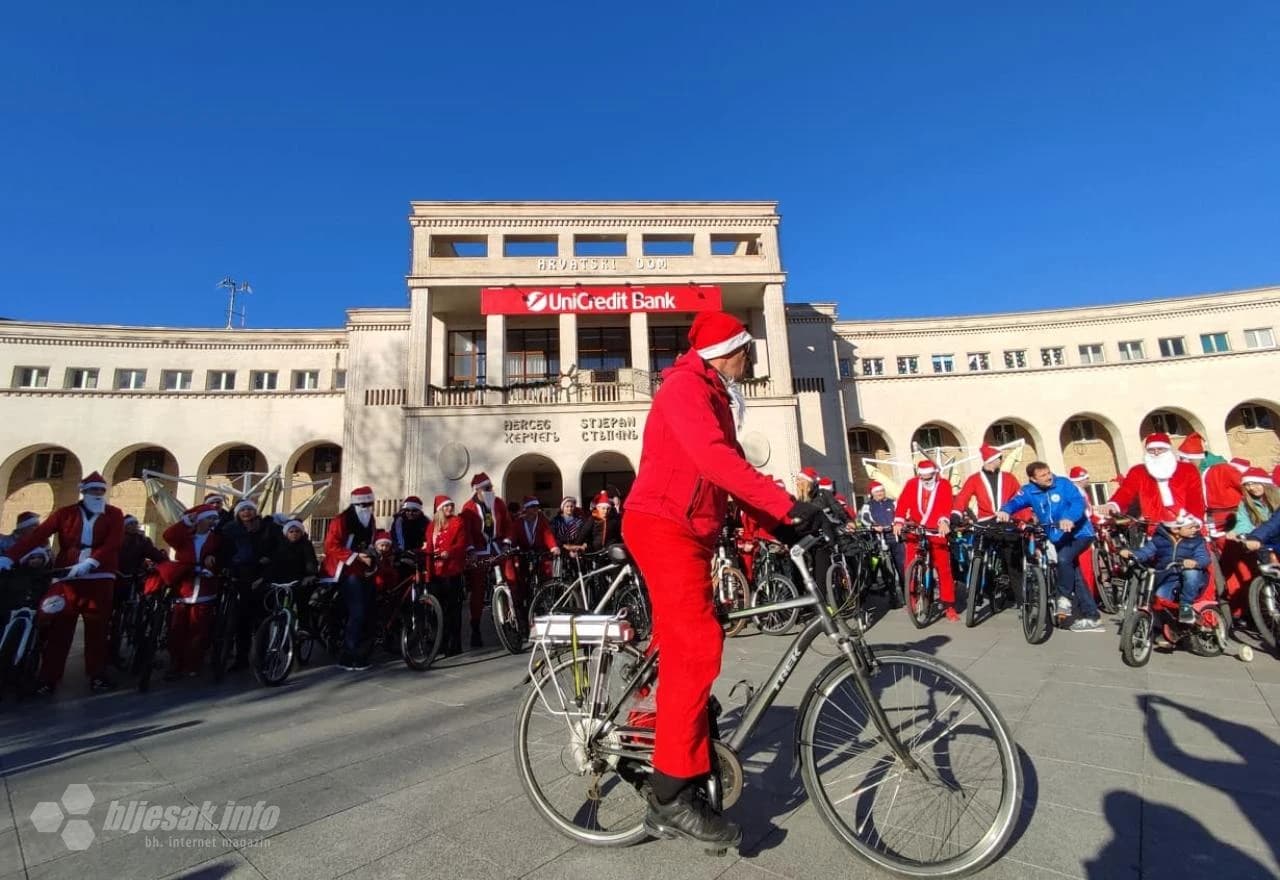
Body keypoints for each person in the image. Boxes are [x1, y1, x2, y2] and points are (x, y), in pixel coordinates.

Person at [622, 311, 819, 848]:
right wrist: (784, 505)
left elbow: (730, 477)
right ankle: (669, 797)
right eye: (745, 352)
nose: (748, 361)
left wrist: (785, 527)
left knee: (680, 640)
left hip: (687, 528)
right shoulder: (685, 386)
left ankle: (651, 728)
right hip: (664, 523)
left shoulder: (713, 394)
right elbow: (713, 461)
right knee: (697, 645)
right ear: (723, 351)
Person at [0, 471, 125, 693]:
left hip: (100, 576)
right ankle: (49, 677)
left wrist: (93, 562)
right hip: (68, 575)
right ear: (83, 492)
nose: (97, 494)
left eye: (101, 491)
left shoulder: (114, 514)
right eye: (93, 490)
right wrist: (11, 556)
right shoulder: (65, 514)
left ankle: (97, 674)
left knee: (97, 628)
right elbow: (38, 535)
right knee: (61, 627)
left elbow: (114, 542)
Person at [997, 461, 1102, 632]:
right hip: (1058, 537)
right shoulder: (1029, 491)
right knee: (1074, 574)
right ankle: (1092, 616)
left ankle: (1064, 599)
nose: (1048, 477)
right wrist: (1006, 510)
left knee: (1063, 558)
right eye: (1043, 476)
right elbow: (1016, 502)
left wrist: (1069, 518)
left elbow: (1078, 503)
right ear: (1033, 479)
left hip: (1080, 534)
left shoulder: (1064, 484)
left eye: (1048, 473)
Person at [155, 504, 224, 680]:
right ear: (200, 520)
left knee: (199, 629)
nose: (212, 522)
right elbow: (168, 536)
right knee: (177, 628)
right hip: (184, 587)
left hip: (205, 588)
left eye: (213, 519)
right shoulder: (186, 537)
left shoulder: (217, 539)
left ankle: (192, 663)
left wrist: (214, 561)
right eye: (209, 518)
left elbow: (224, 555)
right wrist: (185, 522)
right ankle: (175, 662)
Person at [893, 459, 959, 620]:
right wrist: (899, 521)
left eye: (928, 478)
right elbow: (902, 503)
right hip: (916, 529)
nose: (925, 480)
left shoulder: (943, 485)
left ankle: (949, 605)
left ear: (935, 474)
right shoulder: (912, 484)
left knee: (943, 568)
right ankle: (912, 599)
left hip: (936, 529)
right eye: (922, 477)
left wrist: (944, 520)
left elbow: (946, 504)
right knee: (910, 564)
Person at [221, 498, 282, 671]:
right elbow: (225, 552)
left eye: (250, 509)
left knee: (263, 620)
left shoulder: (269, 528)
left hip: (263, 578)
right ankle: (242, 659)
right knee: (242, 622)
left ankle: (263, 657)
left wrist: (268, 561)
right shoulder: (231, 530)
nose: (247, 512)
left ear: (256, 511)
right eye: (243, 510)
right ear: (237, 513)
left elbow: (279, 550)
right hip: (241, 579)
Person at [322, 486, 378, 670]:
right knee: (357, 612)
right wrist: (355, 556)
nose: (367, 507)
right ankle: (349, 654)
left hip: (364, 570)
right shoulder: (341, 520)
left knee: (368, 612)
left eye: (369, 504)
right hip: (345, 571)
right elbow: (331, 545)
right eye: (363, 504)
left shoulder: (370, 520)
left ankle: (360, 652)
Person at [1121, 512, 1211, 624]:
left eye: (1196, 526)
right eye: (1190, 527)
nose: (1195, 529)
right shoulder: (1159, 540)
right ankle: (1164, 627)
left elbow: (1204, 557)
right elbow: (1146, 552)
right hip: (1168, 577)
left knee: (1191, 573)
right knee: (1160, 599)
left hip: (1192, 579)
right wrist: (1132, 554)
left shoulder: (1197, 541)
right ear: (1175, 529)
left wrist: (1195, 562)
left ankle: (1186, 607)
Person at [1106, 433, 1206, 528]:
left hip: (1185, 522)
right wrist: (1114, 504)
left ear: (1168, 450)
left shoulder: (1187, 470)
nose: (1156, 452)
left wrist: (1196, 519)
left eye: (1160, 449)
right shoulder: (1138, 471)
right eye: (1151, 450)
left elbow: (1195, 497)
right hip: (1155, 525)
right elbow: (1126, 491)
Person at [460, 472, 513, 649]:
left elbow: (507, 524)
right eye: (487, 488)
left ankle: (514, 617)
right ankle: (475, 628)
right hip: (480, 551)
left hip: (498, 547)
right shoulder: (468, 508)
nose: (491, 491)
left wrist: (506, 543)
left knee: (511, 578)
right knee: (478, 590)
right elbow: (465, 532)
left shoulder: (498, 503)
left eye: (491, 488)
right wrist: (471, 550)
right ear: (478, 490)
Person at [1221, 468, 1280, 620]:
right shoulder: (1246, 504)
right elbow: (1242, 522)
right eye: (1248, 484)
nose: (1252, 487)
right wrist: (1237, 533)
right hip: (1263, 539)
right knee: (1268, 570)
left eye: (1255, 483)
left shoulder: (1278, 496)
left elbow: (1274, 523)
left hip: (1271, 536)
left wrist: (1256, 535)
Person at [424, 495, 468, 656]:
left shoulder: (458, 522)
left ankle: (453, 644)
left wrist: (449, 552)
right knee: (436, 609)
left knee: (452, 609)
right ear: (439, 509)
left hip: (451, 571)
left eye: (451, 505)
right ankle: (438, 643)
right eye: (446, 506)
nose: (450, 508)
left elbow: (462, 544)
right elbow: (428, 545)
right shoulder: (431, 526)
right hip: (434, 572)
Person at [953, 445, 1021, 522]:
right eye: (1000, 458)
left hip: (1007, 521)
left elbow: (1020, 498)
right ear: (992, 460)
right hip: (986, 523)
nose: (1002, 460)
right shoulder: (974, 479)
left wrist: (1026, 519)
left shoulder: (1009, 478)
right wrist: (956, 513)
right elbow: (963, 496)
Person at [858, 481, 904, 578]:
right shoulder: (868, 505)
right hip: (878, 538)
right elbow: (864, 518)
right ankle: (888, 587)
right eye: (877, 492)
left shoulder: (893, 502)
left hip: (895, 537)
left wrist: (898, 523)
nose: (880, 493)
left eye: (882, 491)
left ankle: (905, 588)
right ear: (872, 493)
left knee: (902, 565)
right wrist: (873, 526)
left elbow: (901, 514)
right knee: (882, 566)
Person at [1067, 467, 1098, 599]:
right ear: (1080, 480)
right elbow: (1083, 514)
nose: (1088, 480)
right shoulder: (1076, 493)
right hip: (1081, 534)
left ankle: (1090, 593)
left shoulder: (1081, 491)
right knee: (1085, 566)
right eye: (1086, 478)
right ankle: (1088, 596)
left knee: (1084, 565)